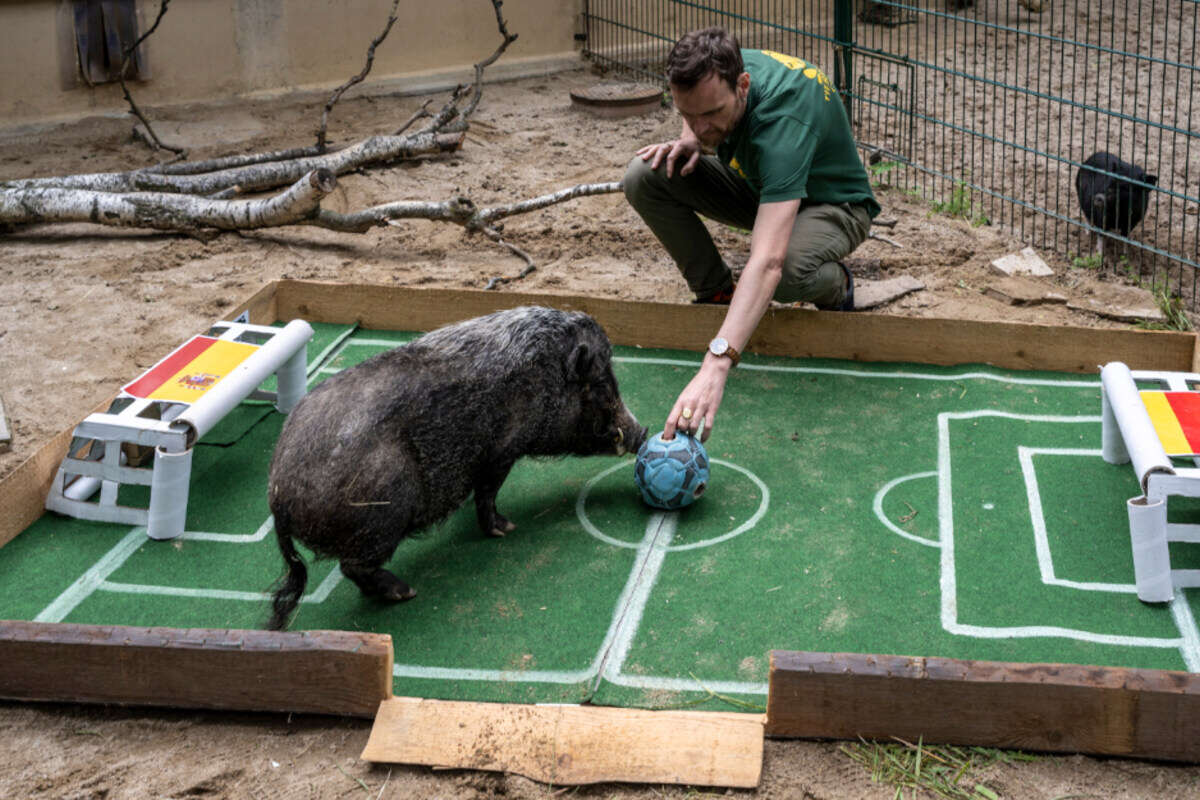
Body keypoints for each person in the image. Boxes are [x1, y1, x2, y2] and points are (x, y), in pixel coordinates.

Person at [622, 27, 880, 443]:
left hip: (832, 205)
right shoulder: (722, 69)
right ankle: (718, 293)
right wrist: (689, 138)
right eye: (688, 114)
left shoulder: (782, 118)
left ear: (743, 85)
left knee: (789, 273)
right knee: (645, 176)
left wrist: (716, 363)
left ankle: (837, 286)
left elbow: (768, 261)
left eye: (710, 115)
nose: (700, 128)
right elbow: (700, 117)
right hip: (764, 185)